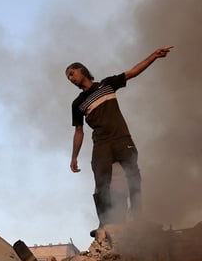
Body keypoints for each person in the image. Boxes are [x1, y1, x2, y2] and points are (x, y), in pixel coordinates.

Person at [66, 46, 173, 235]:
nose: (71, 78)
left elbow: (132, 72)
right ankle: (105, 223)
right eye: (68, 77)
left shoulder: (107, 85)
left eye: (72, 74)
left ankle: (138, 216)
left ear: (81, 70)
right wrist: (74, 157)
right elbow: (79, 131)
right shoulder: (77, 103)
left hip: (122, 138)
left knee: (133, 175)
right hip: (102, 144)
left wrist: (154, 56)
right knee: (101, 182)